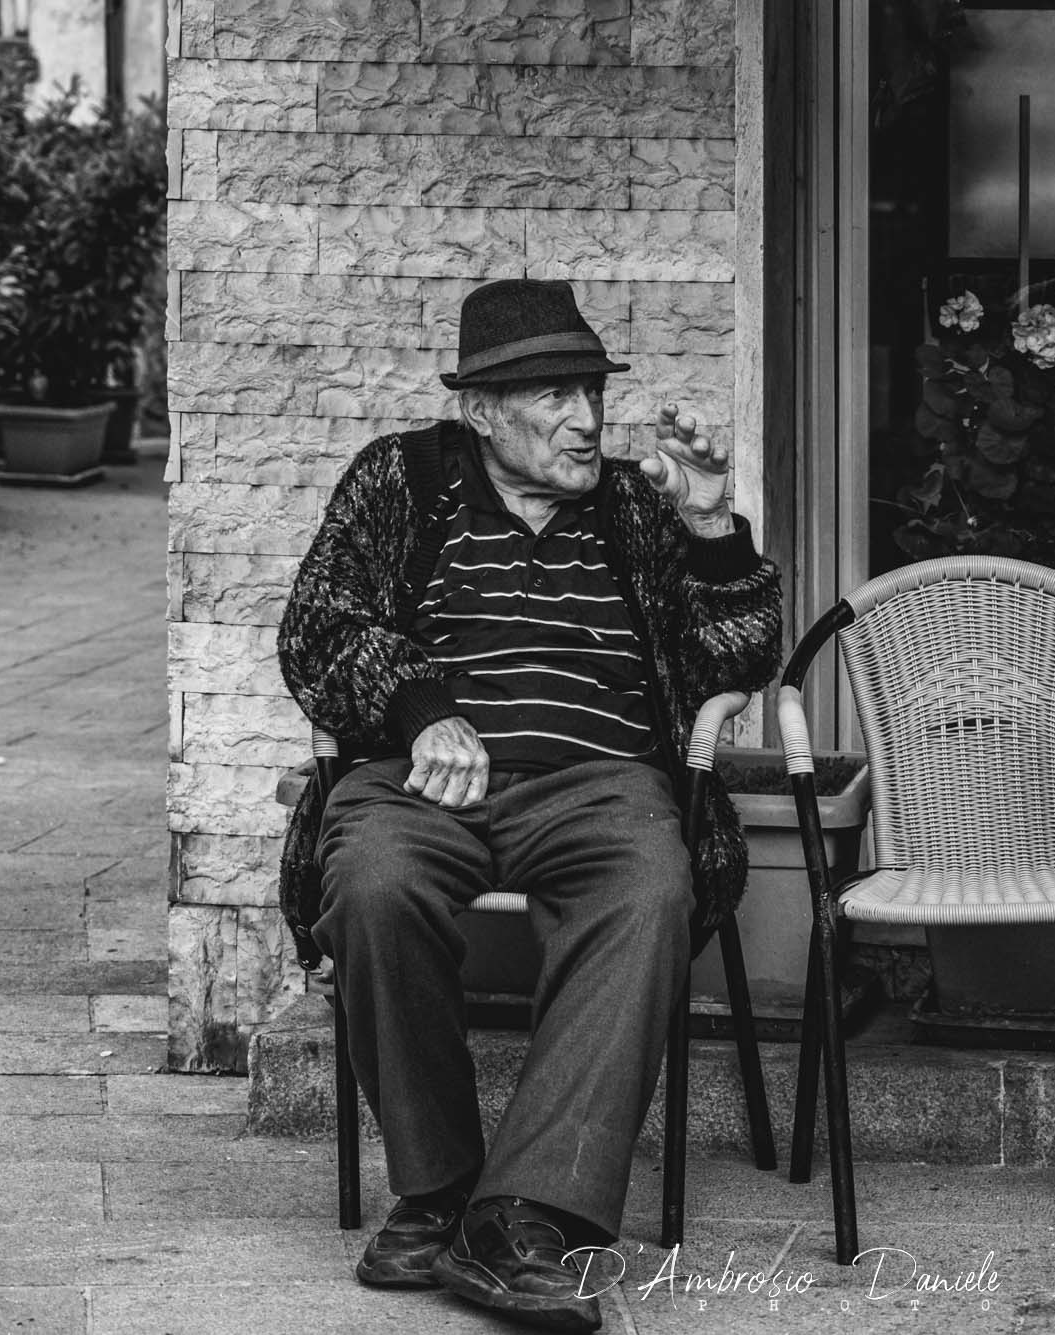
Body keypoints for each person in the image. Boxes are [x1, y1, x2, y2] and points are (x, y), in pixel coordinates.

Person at [276, 278, 781, 1333]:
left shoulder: (639, 505)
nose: (586, 420)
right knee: (371, 883)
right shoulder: (400, 481)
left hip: (600, 782)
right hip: (421, 777)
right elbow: (316, 630)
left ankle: (524, 1215)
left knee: (648, 888)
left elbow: (740, 657)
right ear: (480, 411)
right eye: (554, 395)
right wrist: (420, 711)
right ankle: (440, 1189)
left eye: (590, 391)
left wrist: (710, 527)